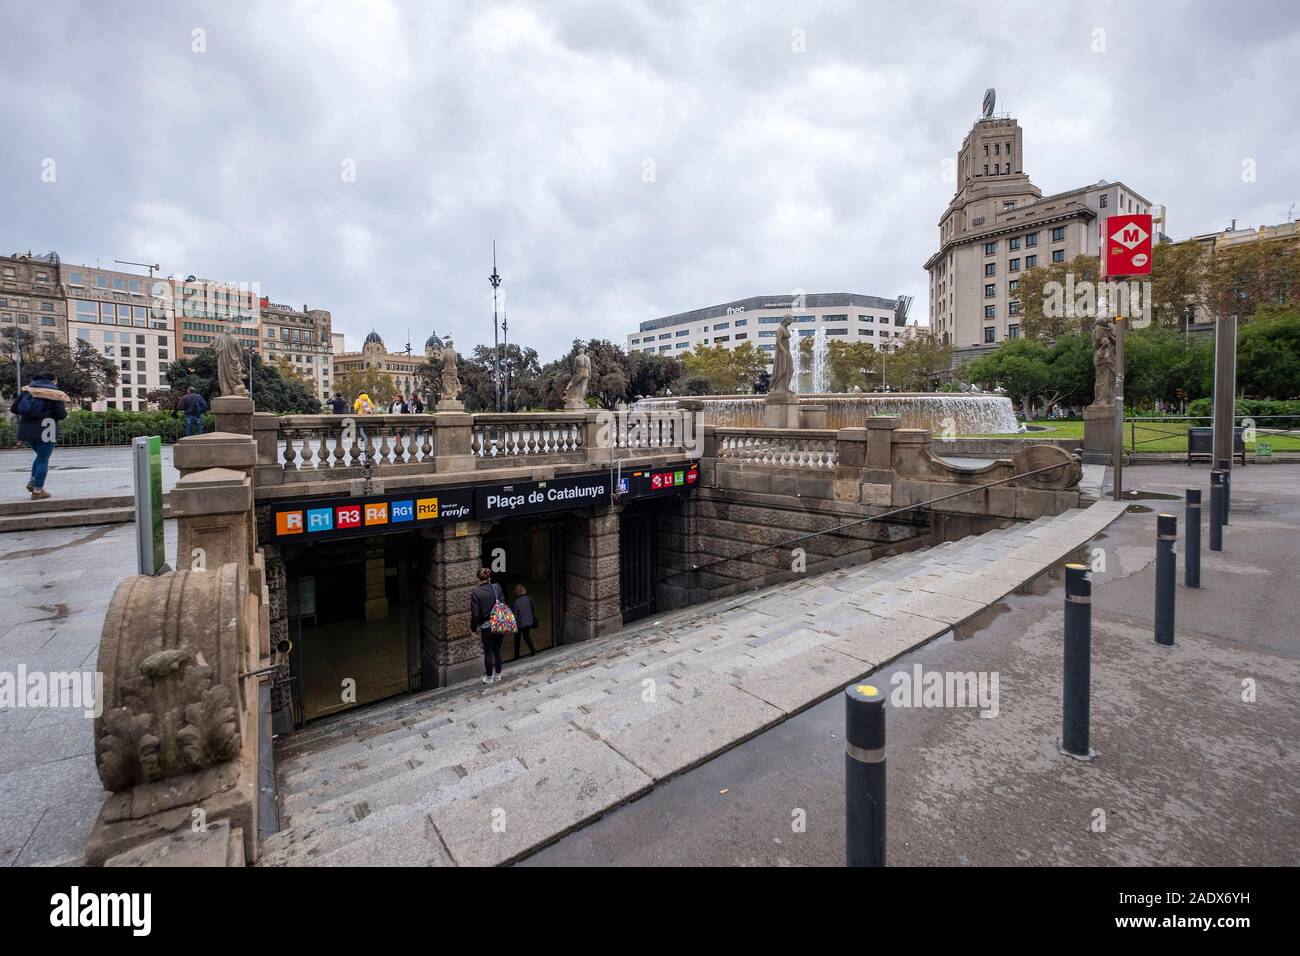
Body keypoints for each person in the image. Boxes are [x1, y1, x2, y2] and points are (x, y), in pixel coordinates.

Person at [10, 369, 69, 500]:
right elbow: (61, 414)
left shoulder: (27, 391)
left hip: (27, 428)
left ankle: (33, 480)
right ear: (52, 380)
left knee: (40, 456)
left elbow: (14, 408)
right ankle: (37, 490)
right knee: (43, 458)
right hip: (47, 428)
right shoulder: (54, 394)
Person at [469, 568, 508, 684]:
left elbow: (475, 615)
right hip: (499, 622)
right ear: (489, 577)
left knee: (488, 651)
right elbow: (503, 603)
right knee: (498, 649)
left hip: (486, 626)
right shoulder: (497, 587)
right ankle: (498, 675)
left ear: (478, 579)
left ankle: (489, 678)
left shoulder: (476, 593)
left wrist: (473, 630)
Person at [511, 584, 537, 659]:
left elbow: (514, 615)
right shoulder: (529, 598)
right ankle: (533, 650)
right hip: (529, 621)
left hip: (520, 624)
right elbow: (533, 606)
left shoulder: (515, 602)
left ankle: (516, 655)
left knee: (517, 639)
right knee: (526, 636)